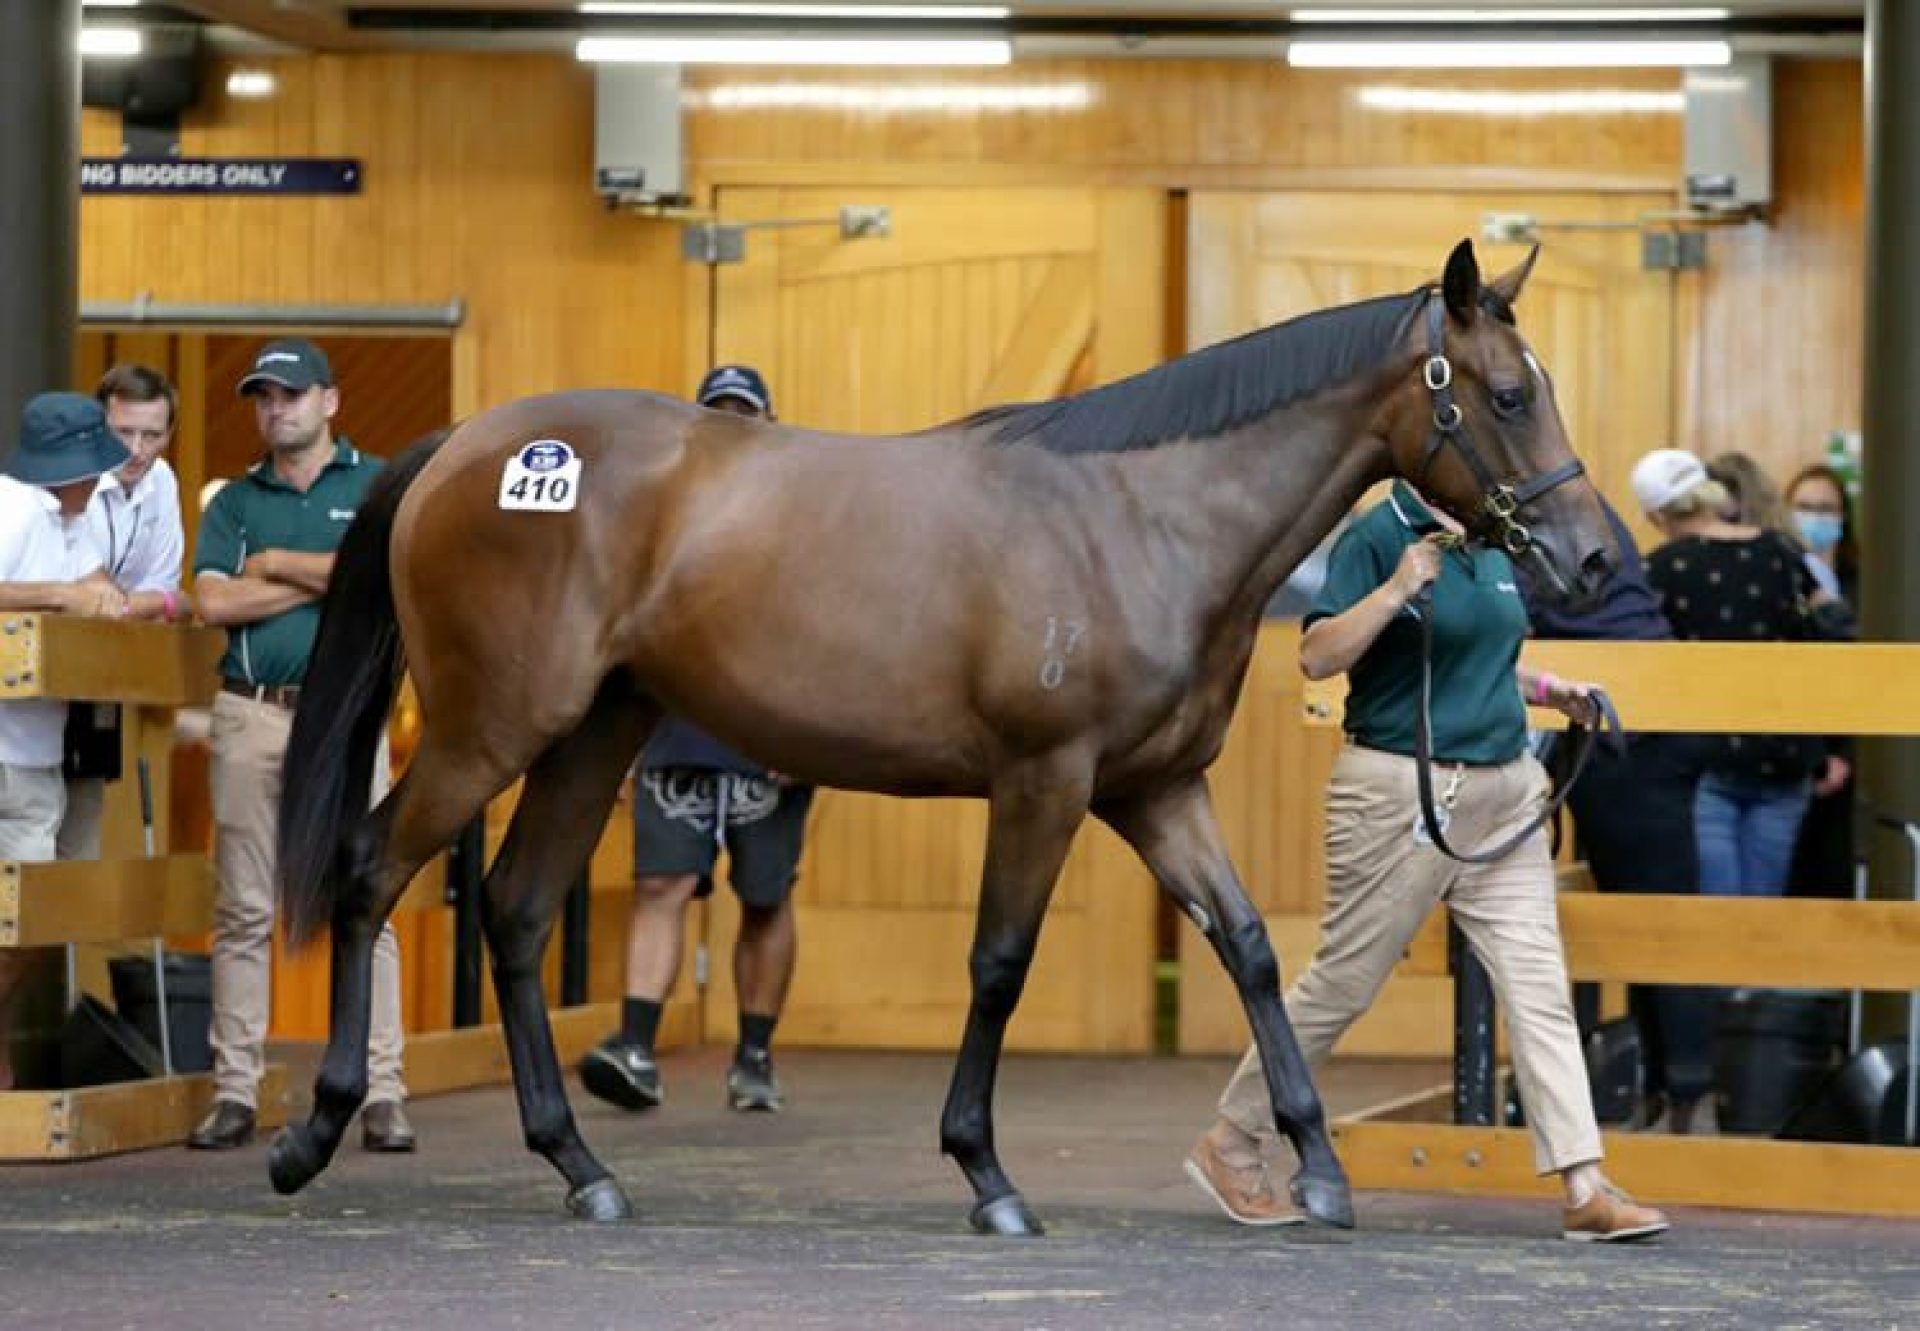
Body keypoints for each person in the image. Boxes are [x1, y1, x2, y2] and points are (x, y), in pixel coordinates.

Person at [1186, 481, 1669, 1243]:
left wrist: (1549, 689)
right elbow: (1317, 655)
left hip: (1503, 793)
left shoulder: (1493, 536)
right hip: (1403, 794)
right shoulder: (1380, 535)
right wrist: (1397, 588)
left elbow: (1482, 656)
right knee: (1344, 981)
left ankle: (1584, 1182)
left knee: (1539, 981)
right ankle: (1232, 1137)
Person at [187, 338, 414, 1152]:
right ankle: (234, 1092)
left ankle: (384, 1090)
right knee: (243, 908)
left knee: (367, 899)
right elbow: (211, 602)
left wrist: (274, 565)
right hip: (251, 712)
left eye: (290, 393)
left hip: (349, 719)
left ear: (330, 401)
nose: (274, 408)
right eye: (262, 396)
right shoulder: (233, 501)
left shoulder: (380, 482)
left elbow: (383, 575)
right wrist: (327, 572)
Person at [578, 364, 815, 1116]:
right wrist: (612, 740)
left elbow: (832, 636)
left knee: (766, 897)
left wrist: (805, 730)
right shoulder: (655, 515)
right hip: (674, 730)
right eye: (717, 415)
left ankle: (753, 1054)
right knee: (660, 884)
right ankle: (636, 1045)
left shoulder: (803, 525)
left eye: (743, 415)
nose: (730, 427)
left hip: (772, 738)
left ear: (769, 424)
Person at [1526, 496, 1715, 1134]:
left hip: (1626, 737)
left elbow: (1521, 614)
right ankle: (1668, 1090)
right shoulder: (1577, 506)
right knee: (1648, 913)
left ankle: (1686, 1092)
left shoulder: (1528, 517)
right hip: (1642, 725)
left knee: (1656, 920)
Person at [0, 393, 134, 1089]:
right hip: (8, 746)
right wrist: (60, 594)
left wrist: (103, 594)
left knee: (38, 917)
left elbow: (92, 583)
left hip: (42, 749)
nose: (96, 478)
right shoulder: (10, 505)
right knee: (24, 913)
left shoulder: (81, 518)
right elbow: (58, 591)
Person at [1633, 449, 1821, 899]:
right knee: (1760, 917)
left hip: (1703, 763)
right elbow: (1816, 642)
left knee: (1715, 918)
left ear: (1658, 515)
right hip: (1785, 756)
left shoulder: (1659, 570)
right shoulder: (1781, 554)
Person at [58, 364, 194, 863]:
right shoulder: (69, 476)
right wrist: (155, 603)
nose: (137, 449)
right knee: (31, 833)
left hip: (105, 682)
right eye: (124, 432)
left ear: (169, 433)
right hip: (44, 676)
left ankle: (67, 943)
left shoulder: (162, 481)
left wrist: (144, 602)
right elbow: (80, 588)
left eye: (151, 435)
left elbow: (161, 589)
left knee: (82, 836)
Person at [1784, 464, 1861, 899]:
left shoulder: (1864, 585)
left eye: (1826, 509)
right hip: (1789, 746)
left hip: (1849, 746)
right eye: (1805, 507)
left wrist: (1843, 752)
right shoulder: (1781, 576)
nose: (1815, 517)